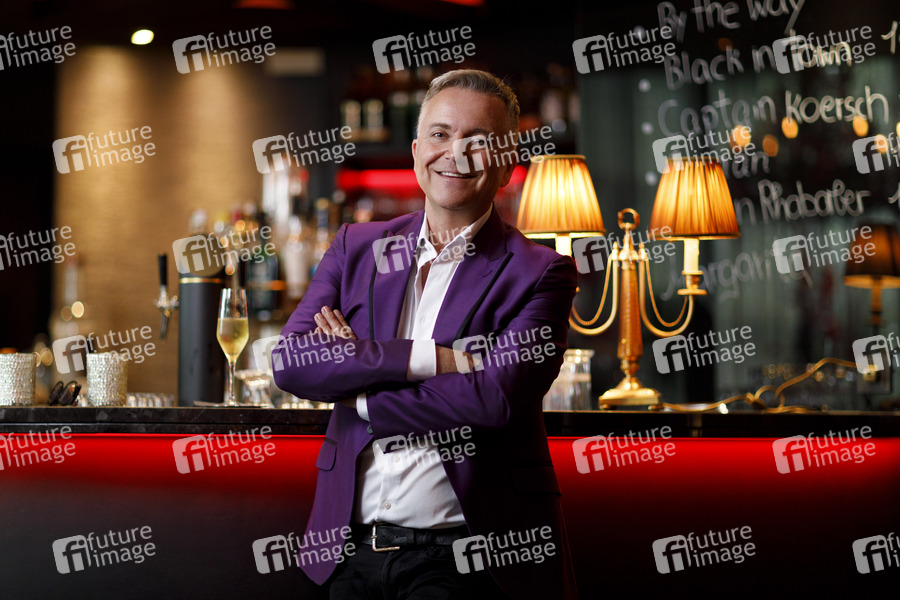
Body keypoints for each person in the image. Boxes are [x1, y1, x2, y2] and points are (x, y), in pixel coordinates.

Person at [273, 69, 579, 600]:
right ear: (417, 152)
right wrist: (428, 359)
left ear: (507, 164)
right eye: (440, 134)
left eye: (478, 141)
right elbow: (292, 362)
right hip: (348, 551)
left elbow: (494, 400)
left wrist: (357, 388)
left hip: (469, 557)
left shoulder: (541, 272)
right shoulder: (355, 247)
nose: (455, 154)